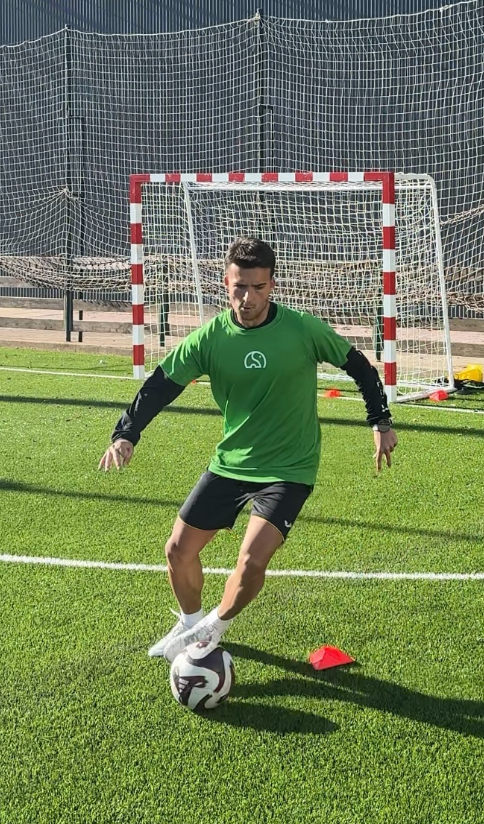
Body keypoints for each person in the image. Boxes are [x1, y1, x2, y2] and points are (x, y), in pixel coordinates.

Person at [99, 236, 397, 661]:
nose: (248, 298)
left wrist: (380, 422)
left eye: (258, 287)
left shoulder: (302, 329)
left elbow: (360, 367)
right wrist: (126, 433)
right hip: (231, 462)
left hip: (289, 468)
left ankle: (212, 628)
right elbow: (161, 385)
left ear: (273, 284)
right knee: (177, 550)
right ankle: (190, 624)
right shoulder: (210, 338)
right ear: (226, 283)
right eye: (240, 286)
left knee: (252, 561)